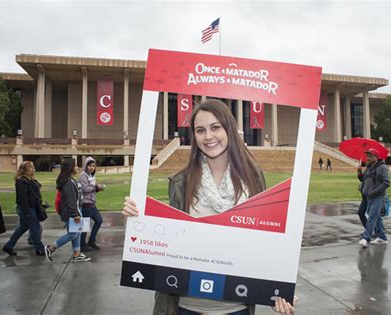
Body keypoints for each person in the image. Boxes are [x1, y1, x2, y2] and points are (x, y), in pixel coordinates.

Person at [123, 99, 296, 315]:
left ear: (229, 130)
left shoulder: (253, 180)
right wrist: (137, 218)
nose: (208, 136)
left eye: (215, 127)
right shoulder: (182, 182)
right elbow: (167, 242)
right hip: (186, 306)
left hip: (237, 306)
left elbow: (265, 241)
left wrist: (276, 289)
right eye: (200, 130)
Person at [44, 158, 90, 262]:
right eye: (75, 165)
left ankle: (77, 253)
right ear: (70, 168)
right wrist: (75, 214)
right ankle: (51, 248)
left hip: (76, 210)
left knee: (77, 232)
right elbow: (70, 201)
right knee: (73, 234)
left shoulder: (71, 180)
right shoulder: (69, 182)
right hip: (71, 212)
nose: (77, 167)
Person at [2, 161, 45, 256]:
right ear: (26, 170)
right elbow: (23, 198)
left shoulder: (29, 180)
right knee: (35, 227)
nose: (34, 169)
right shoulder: (21, 181)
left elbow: (38, 186)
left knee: (22, 227)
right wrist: (27, 212)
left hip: (31, 207)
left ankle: (8, 246)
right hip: (27, 208)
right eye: (31, 168)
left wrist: (32, 179)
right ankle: (40, 248)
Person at [357, 148, 390, 248]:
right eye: (367, 156)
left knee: (372, 217)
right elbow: (364, 179)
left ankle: (366, 238)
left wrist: (375, 191)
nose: (368, 158)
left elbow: (386, 182)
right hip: (367, 196)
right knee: (374, 216)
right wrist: (359, 173)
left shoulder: (382, 168)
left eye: (370, 156)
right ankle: (382, 237)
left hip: (378, 196)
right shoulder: (368, 167)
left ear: (376, 157)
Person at [79, 157, 104, 252]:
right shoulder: (83, 176)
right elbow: (85, 189)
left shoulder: (91, 175)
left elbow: (91, 190)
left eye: (93, 166)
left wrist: (98, 188)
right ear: (86, 165)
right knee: (85, 225)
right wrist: (95, 187)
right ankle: (82, 245)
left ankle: (91, 241)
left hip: (92, 203)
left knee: (99, 221)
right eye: (90, 165)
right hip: (86, 204)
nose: (92, 167)